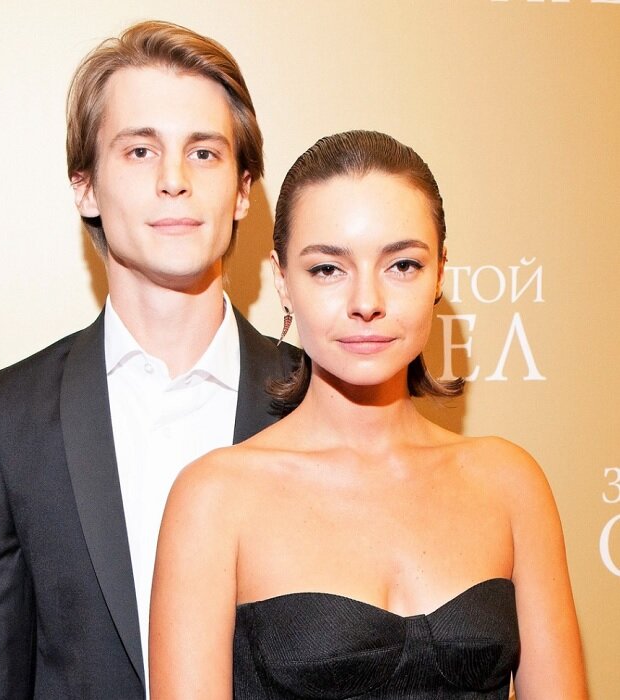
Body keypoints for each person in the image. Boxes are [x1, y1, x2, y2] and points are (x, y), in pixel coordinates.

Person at [149, 130, 588, 698]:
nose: (366, 302)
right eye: (327, 269)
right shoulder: (215, 499)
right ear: (282, 280)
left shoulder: (510, 484)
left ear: (439, 274)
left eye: (401, 265)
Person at [0, 20, 298, 700]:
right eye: (140, 150)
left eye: (204, 153)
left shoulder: (315, 398)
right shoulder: (8, 418)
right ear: (84, 186)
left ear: (244, 189)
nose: (174, 180)